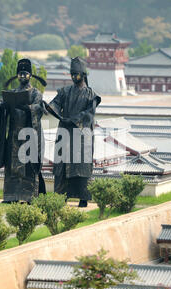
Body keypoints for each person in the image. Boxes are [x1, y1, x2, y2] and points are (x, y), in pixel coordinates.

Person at [0, 58, 47, 203]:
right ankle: (11, 196)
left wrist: (28, 108)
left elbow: (39, 108)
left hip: (30, 135)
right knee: (11, 166)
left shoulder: (35, 93)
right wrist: (1, 105)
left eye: (25, 74)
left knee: (29, 166)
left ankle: (29, 197)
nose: (22, 76)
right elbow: (1, 105)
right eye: (20, 74)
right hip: (14, 134)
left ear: (30, 75)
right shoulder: (13, 92)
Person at [47, 57, 101, 207]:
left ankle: (83, 198)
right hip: (64, 132)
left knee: (81, 165)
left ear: (83, 75)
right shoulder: (65, 91)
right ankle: (61, 197)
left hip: (82, 135)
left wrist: (73, 120)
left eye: (76, 74)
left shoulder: (91, 95)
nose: (73, 77)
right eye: (71, 74)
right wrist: (51, 108)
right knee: (62, 165)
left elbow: (89, 114)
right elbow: (55, 104)